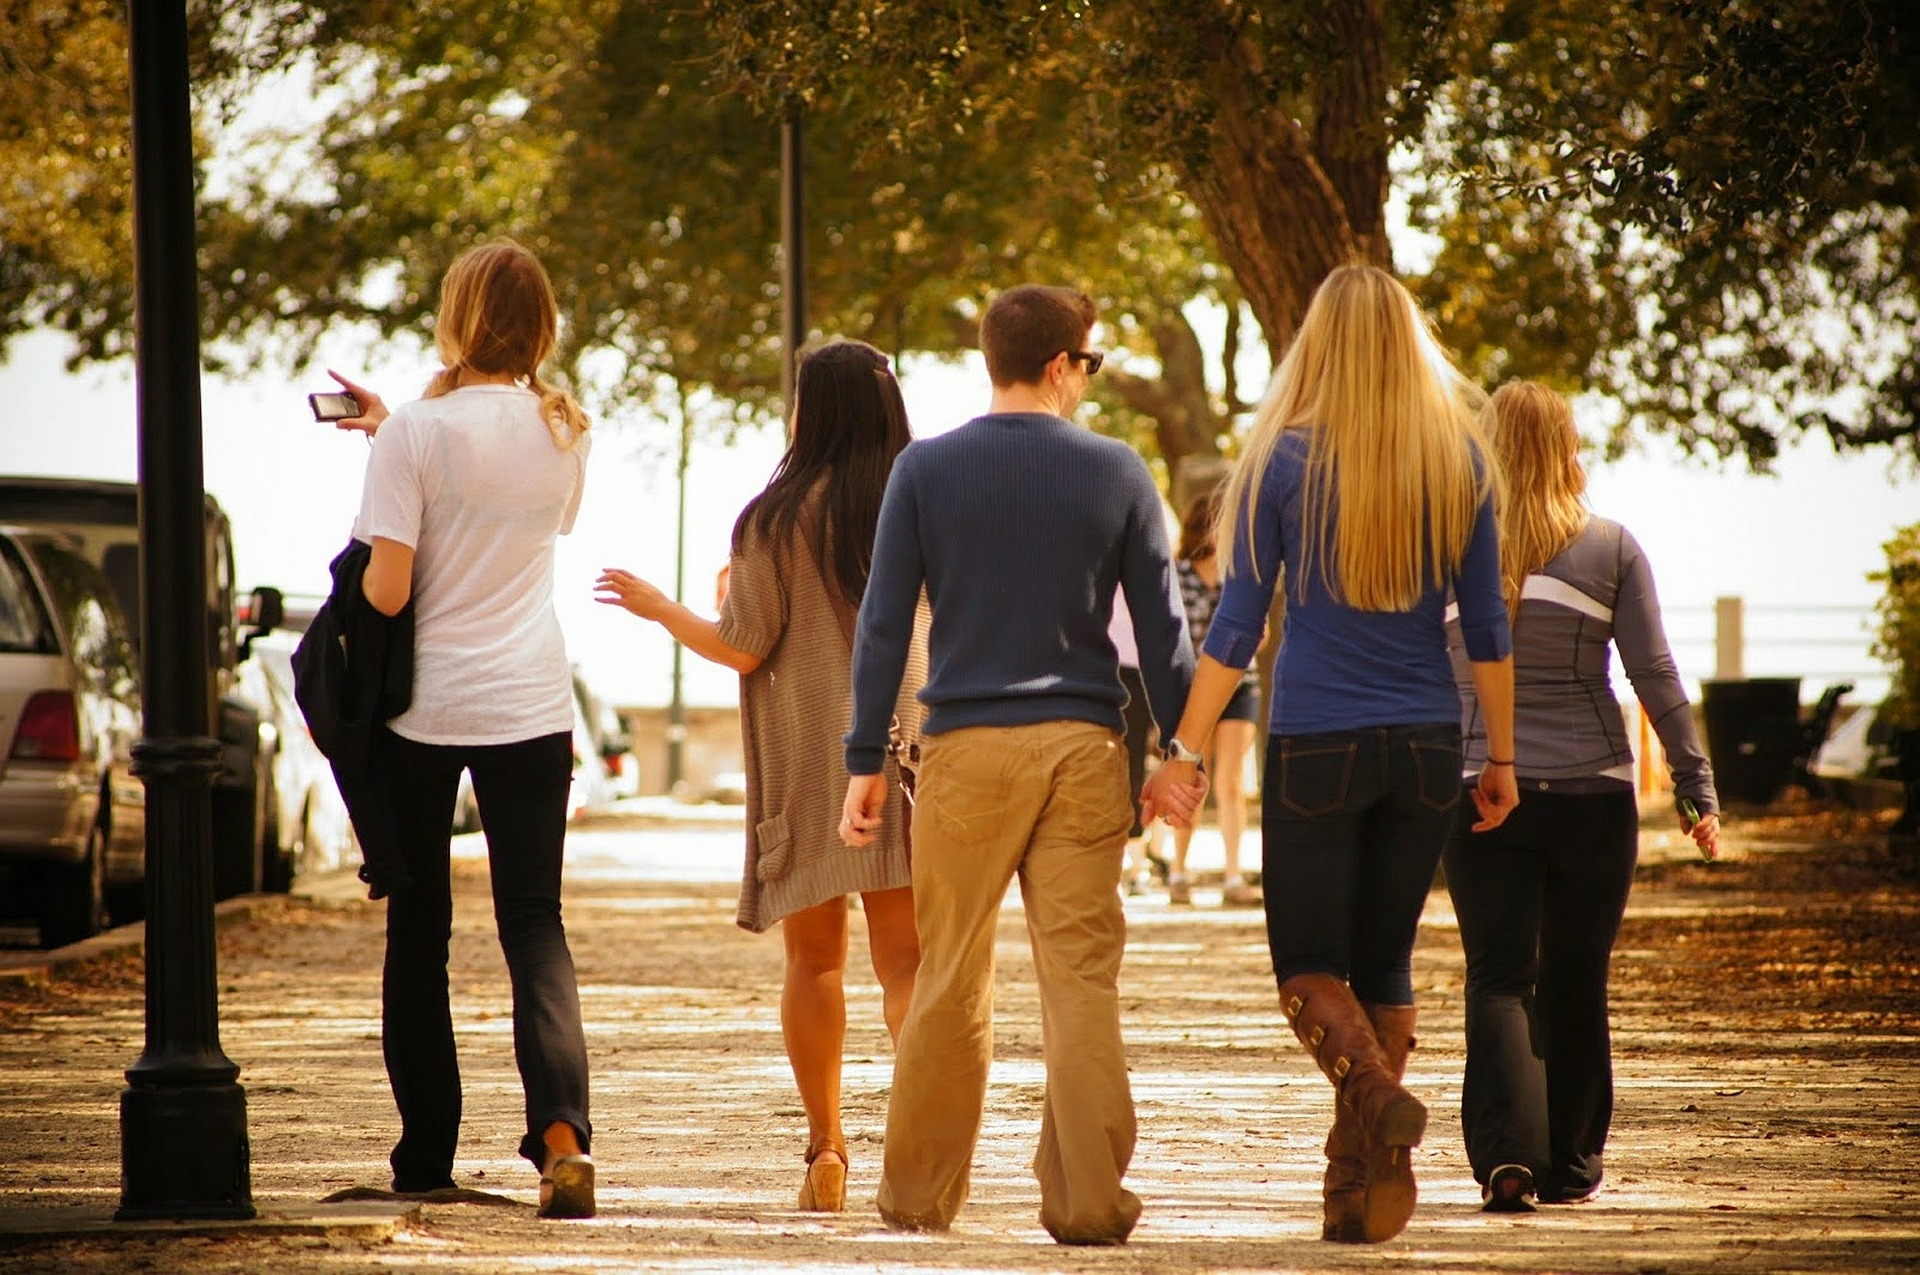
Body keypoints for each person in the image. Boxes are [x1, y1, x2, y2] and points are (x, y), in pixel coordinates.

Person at [1160, 263, 1519, 1244]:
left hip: (1317, 740)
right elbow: (1488, 628)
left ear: (1316, 345)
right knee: (1382, 961)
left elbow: (1237, 626)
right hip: (1427, 743)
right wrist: (1501, 757)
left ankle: (1376, 1098)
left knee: (1308, 968)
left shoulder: (1279, 461)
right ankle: (1353, 1190)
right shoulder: (1461, 462)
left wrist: (1184, 746)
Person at [838, 284, 1202, 1245]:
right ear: (1056, 365)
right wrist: (1182, 748)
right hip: (1084, 747)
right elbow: (1163, 630)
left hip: (965, 750)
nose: (1089, 379)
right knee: (1079, 978)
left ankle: (918, 1196)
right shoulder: (1118, 471)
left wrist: (864, 758)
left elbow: (884, 622)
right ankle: (1088, 1201)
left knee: (951, 971)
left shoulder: (924, 469)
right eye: (1089, 362)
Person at [595, 338, 925, 1213]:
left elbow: (744, 644)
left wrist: (663, 608)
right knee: (907, 964)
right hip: (908, 752)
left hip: (812, 758)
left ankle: (828, 1147)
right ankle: (919, 1144)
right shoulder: (924, 497)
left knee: (815, 961)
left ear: (812, 411)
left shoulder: (773, 520)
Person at [327, 238, 598, 1218]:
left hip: (425, 712)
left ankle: (426, 1157)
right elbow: (508, 505)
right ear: (541, 324)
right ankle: (563, 1139)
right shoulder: (568, 429)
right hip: (532, 705)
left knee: (420, 927)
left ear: (457, 316)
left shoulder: (417, 434)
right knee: (535, 923)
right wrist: (394, 433)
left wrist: (382, 475)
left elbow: (389, 590)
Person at [1443, 380, 1720, 1213]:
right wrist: (1695, 781)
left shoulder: (1447, 547)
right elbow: (1653, 672)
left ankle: (1508, 1156)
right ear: (1567, 447)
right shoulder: (1611, 548)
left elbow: (1415, 668)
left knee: (1499, 974)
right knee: (1575, 975)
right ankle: (1568, 1161)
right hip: (1593, 796)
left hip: (1479, 788)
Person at [1165, 485, 1262, 908]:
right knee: (1189, 776)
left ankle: (1233, 875)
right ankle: (1178, 871)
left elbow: (1259, 631)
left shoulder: (1238, 574)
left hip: (1241, 684)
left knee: (1230, 782)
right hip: (1194, 687)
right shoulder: (1177, 573)